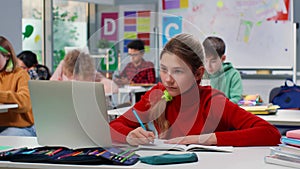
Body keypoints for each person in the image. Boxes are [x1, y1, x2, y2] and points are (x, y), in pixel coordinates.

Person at [109, 33, 280, 146]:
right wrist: (129, 135)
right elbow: (113, 126)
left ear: (198, 74)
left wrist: (202, 139)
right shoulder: (157, 94)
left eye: (178, 71)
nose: (168, 79)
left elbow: (270, 133)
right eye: (163, 69)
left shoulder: (212, 101)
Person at [0, 36, 36, 136]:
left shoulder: (20, 74)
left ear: (7, 56)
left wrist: (1, 96)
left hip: (21, 127)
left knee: (5, 137)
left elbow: (25, 102)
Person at [50, 49, 119, 95]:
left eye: (76, 78)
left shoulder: (91, 74)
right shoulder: (64, 66)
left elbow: (113, 88)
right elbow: (50, 86)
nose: (73, 80)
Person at [202, 36, 243, 104]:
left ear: (223, 58)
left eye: (213, 61)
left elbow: (236, 99)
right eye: (205, 61)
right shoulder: (201, 74)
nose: (208, 66)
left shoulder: (233, 75)